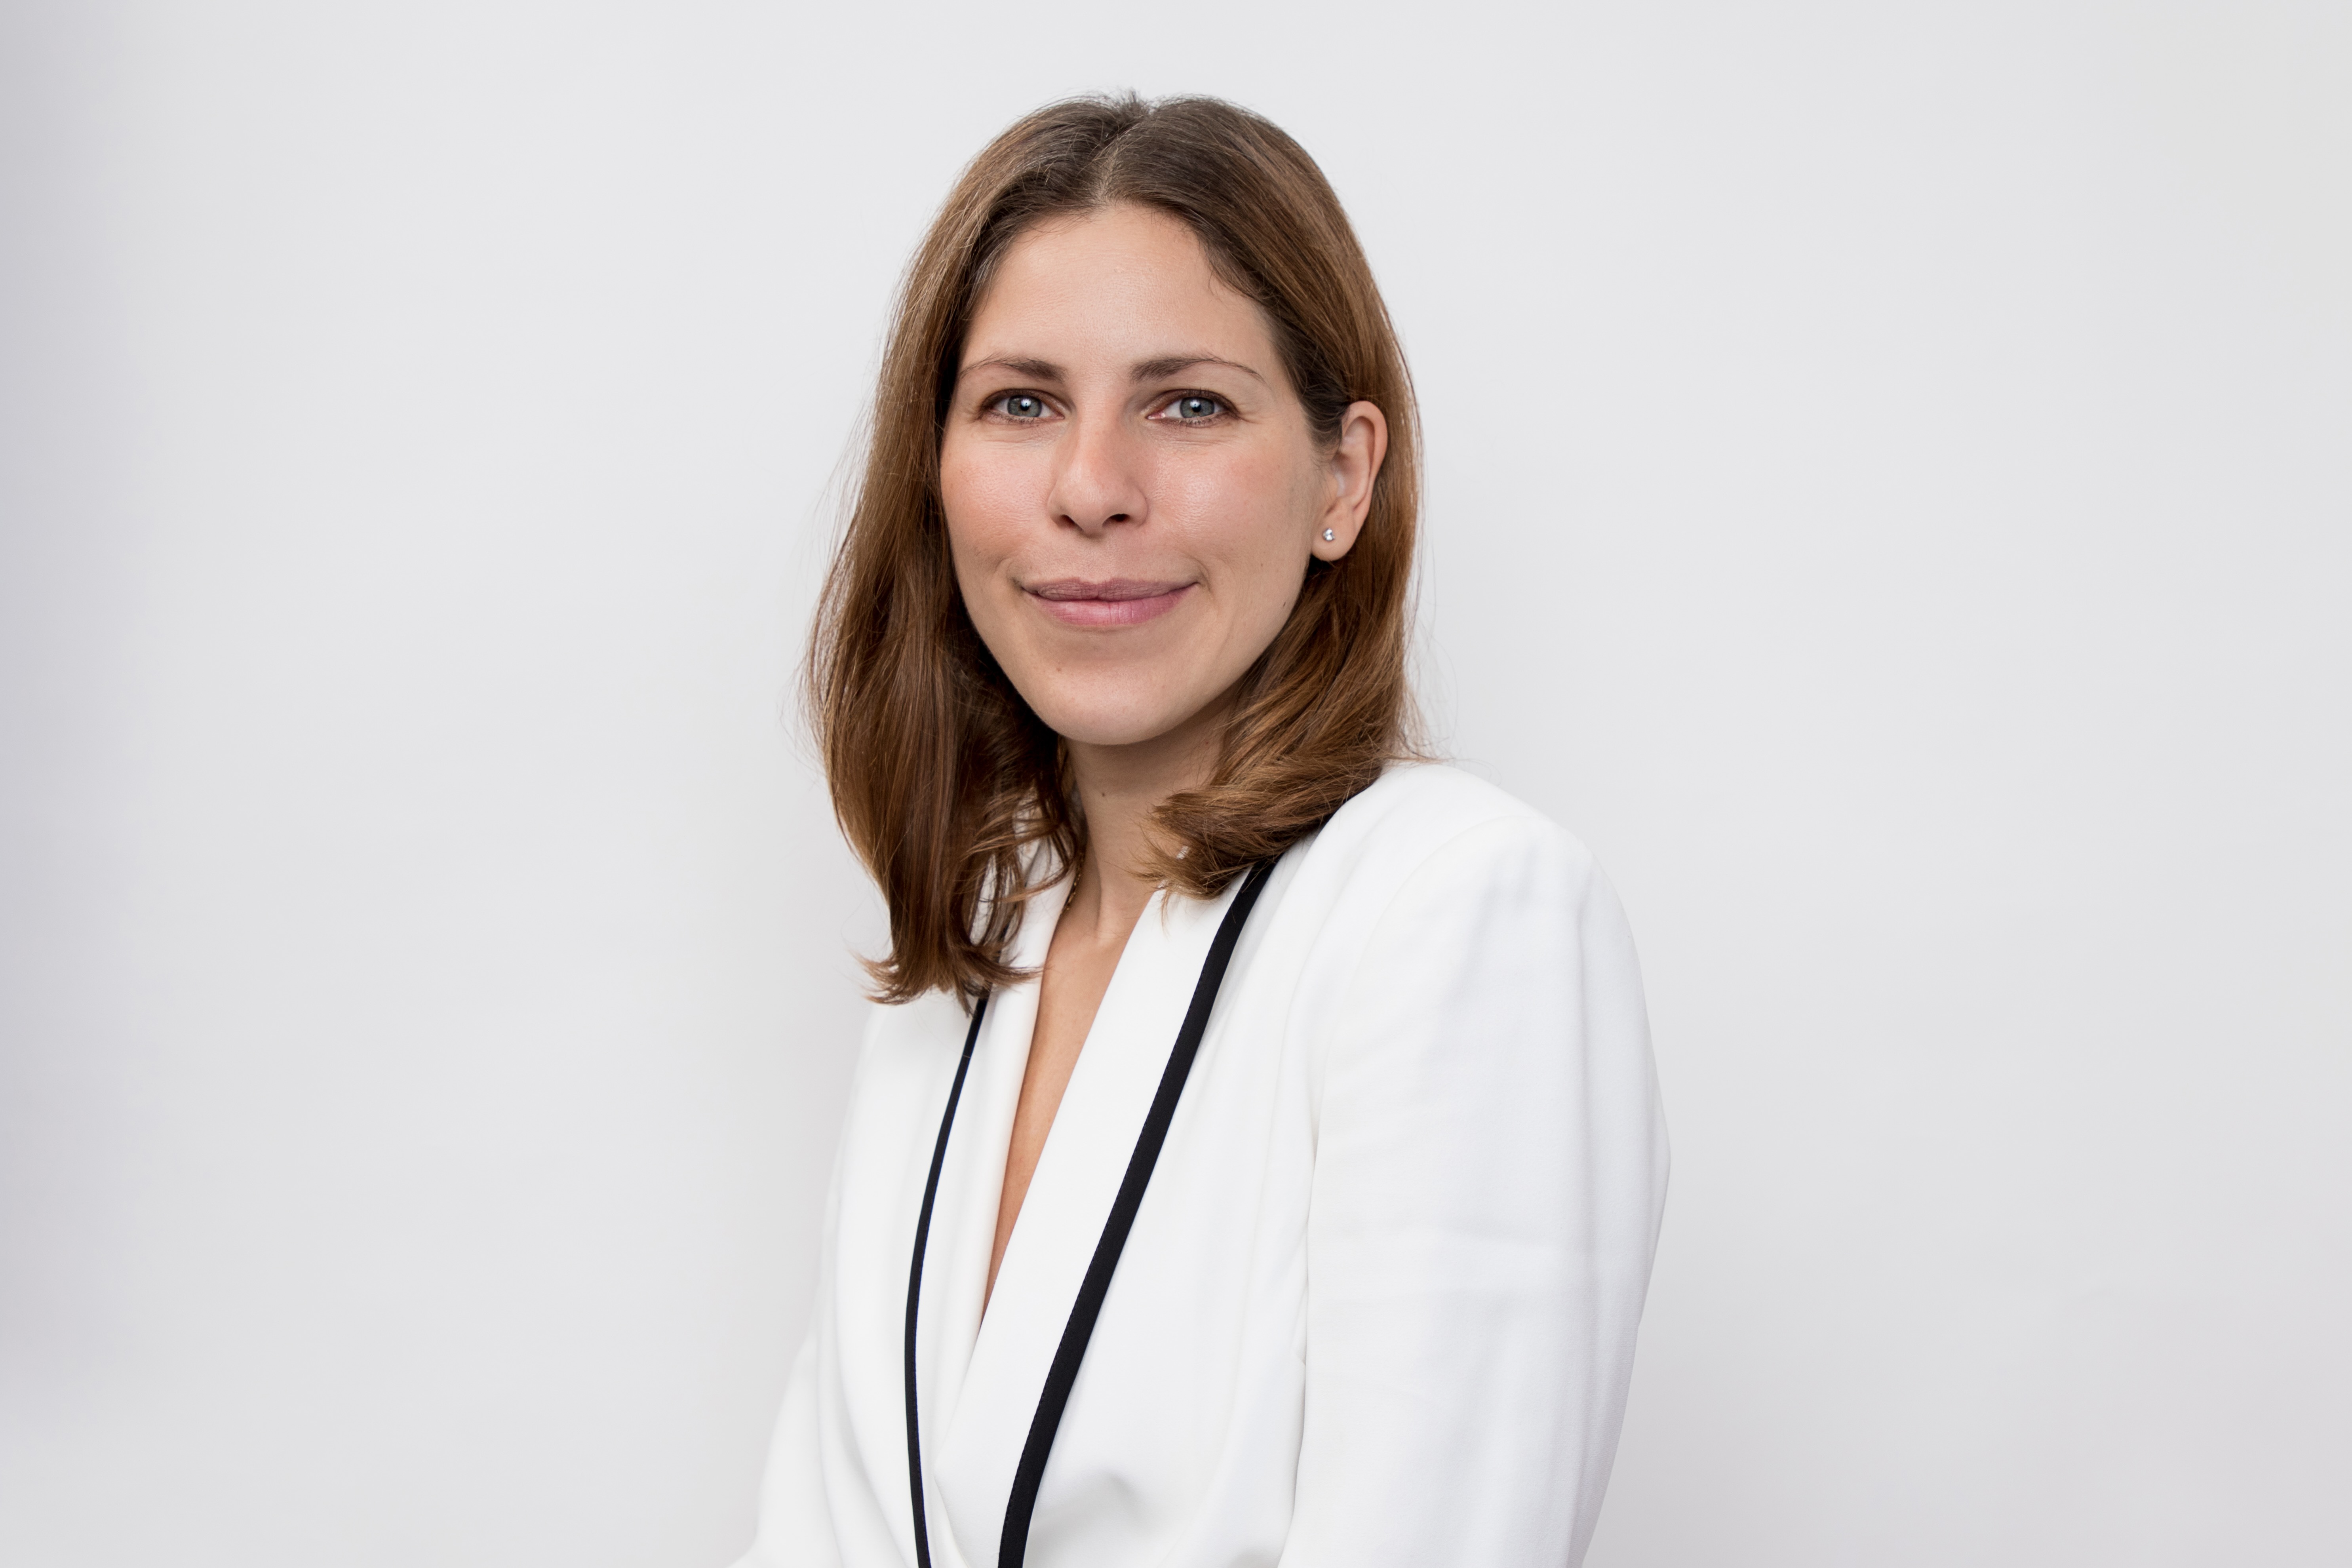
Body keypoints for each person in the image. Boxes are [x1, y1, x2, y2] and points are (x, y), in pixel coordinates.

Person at [736, 93, 1668, 1568]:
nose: (1091, 489)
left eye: (1188, 404)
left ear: (1341, 479)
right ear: (937, 468)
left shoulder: (1457, 910)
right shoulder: (969, 955)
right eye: (1020, 402)